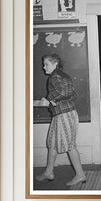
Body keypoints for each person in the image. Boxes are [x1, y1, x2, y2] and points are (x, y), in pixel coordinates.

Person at [34, 53, 86, 187]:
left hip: (64, 115)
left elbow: (64, 92)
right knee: (52, 142)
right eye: (44, 64)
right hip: (63, 114)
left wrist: (51, 99)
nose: (43, 67)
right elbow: (73, 94)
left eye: (46, 64)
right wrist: (53, 100)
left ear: (55, 63)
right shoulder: (62, 75)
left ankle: (80, 175)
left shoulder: (55, 76)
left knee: (70, 145)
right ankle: (49, 171)